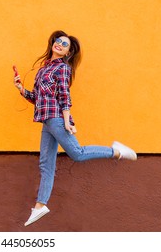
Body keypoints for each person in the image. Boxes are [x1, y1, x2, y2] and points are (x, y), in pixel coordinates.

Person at [13, 30, 137, 227]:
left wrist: (67, 119)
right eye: (58, 41)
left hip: (56, 119)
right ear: (53, 43)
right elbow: (37, 99)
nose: (60, 44)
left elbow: (64, 95)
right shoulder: (44, 69)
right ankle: (40, 205)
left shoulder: (62, 68)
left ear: (67, 53)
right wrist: (20, 89)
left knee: (77, 154)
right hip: (47, 120)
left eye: (65, 44)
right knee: (46, 165)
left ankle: (117, 151)